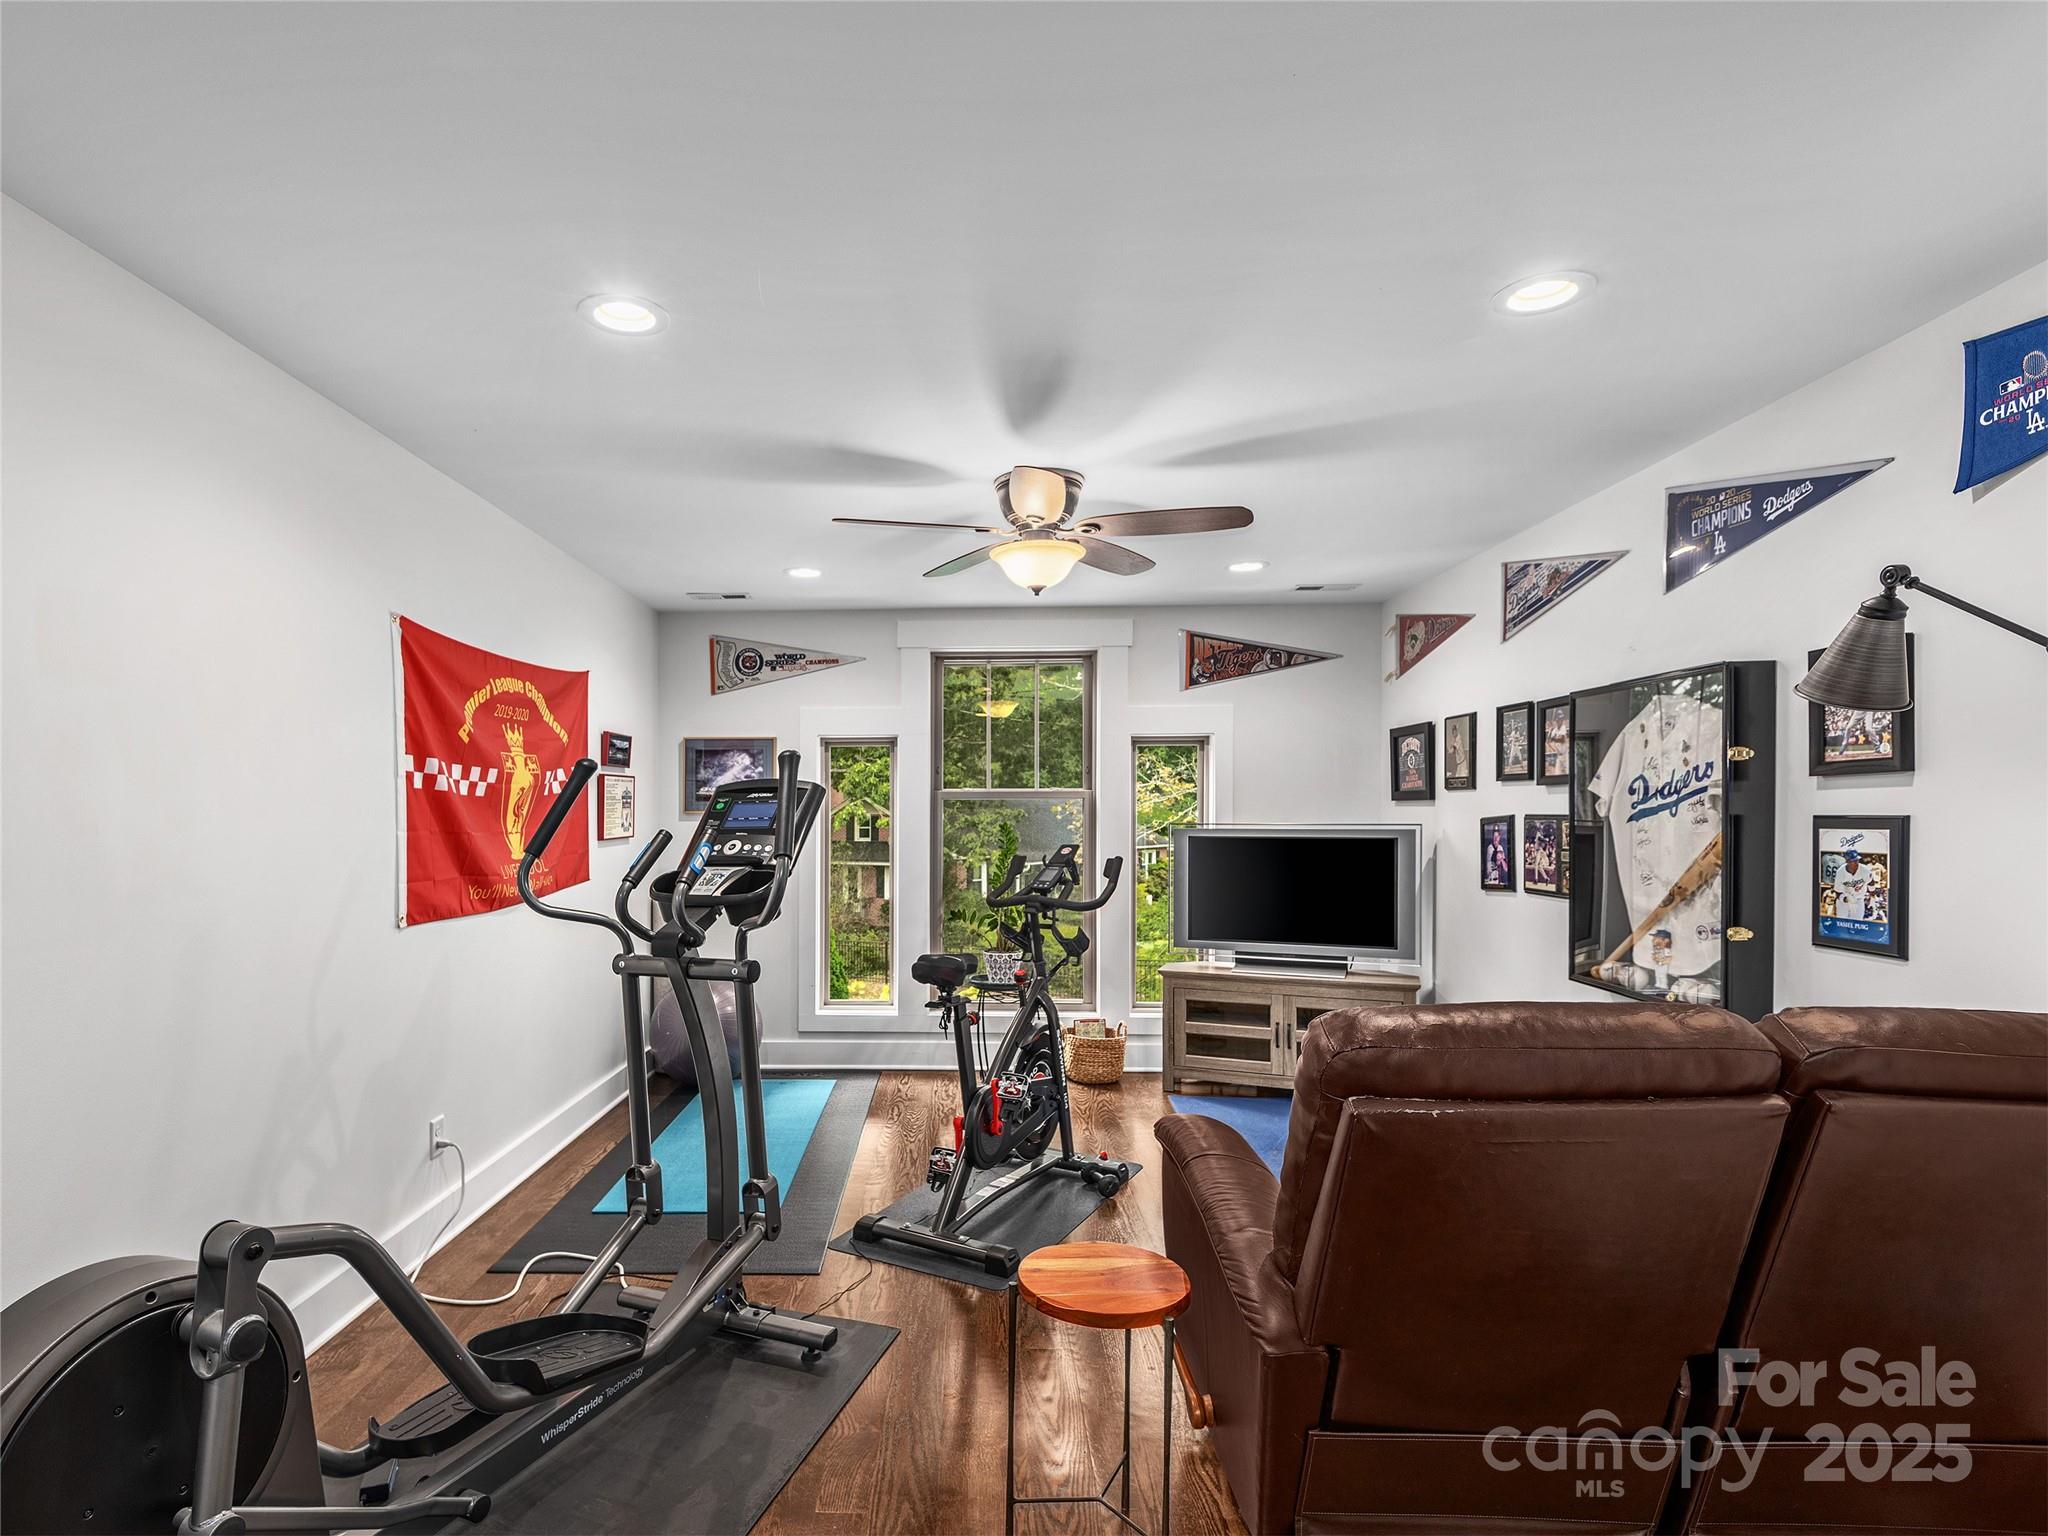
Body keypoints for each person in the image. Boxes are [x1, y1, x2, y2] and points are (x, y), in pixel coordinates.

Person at [1831, 849, 1873, 921]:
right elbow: (1837, 892)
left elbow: (1871, 881)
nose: (1856, 862)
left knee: (1856, 925)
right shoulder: (1840, 872)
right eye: (1853, 861)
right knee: (1842, 924)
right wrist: (1846, 899)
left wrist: (1872, 894)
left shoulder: (1865, 870)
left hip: (1859, 900)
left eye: (1857, 860)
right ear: (1847, 861)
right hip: (1843, 902)